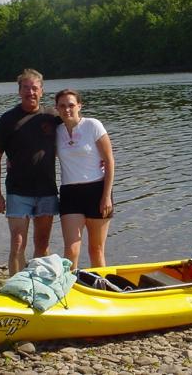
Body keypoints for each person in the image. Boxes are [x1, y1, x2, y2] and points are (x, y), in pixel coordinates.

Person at [0, 68, 60, 275]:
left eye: (35, 88)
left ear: (42, 91)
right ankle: (16, 287)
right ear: (19, 91)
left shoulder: (53, 117)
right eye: (26, 88)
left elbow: (76, 137)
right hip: (18, 191)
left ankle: (39, 286)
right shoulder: (8, 119)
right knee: (18, 243)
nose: (31, 92)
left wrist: (98, 159)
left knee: (42, 244)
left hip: (47, 190)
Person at [55, 89, 115, 270]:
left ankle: (102, 288)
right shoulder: (56, 131)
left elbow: (110, 160)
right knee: (71, 250)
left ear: (79, 106)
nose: (67, 109)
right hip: (70, 193)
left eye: (71, 105)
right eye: (62, 106)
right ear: (57, 109)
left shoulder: (93, 125)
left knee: (96, 250)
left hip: (97, 191)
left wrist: (106, 196)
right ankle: (69, 290)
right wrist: (13, 158)